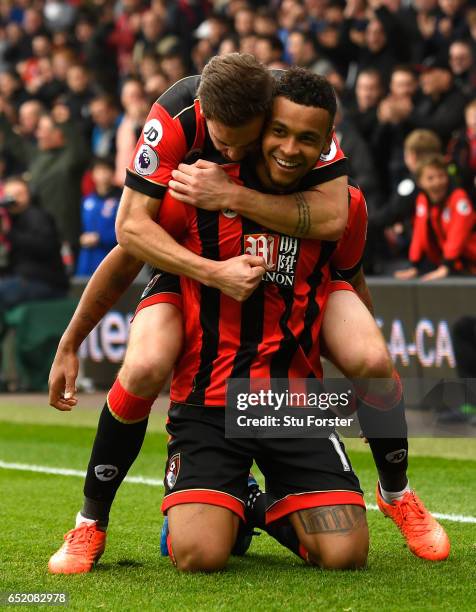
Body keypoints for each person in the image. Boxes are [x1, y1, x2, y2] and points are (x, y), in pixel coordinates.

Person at [48, 58, 447, 573]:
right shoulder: (191, 180)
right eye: (277, 134)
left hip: (290, 400)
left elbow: (348, 267)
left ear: (326, 141)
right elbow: (128, 242)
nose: (286, 148)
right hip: (210, 391)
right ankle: (91, 521)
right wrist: (71, 341)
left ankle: (377, 495)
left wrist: (369, 397)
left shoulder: (338, 202)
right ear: (262, 123)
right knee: (148, 374)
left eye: (304, 139)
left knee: (347, 551)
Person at [0, 176, 68, 328]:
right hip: (22, 279)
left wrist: (9, 234)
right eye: (9, 195)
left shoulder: (37, 216)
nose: (13, 199)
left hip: (44, 282)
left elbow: (45, 248)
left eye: (19, 194)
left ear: (30, 194)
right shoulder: (10, 220)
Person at [395, 154, 476, 280]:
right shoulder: (423, 200)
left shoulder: (459, 199)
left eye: (441, 176)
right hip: (450, 265)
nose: (437, 182)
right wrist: (415, 265)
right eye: (430, 178)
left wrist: (446, 266)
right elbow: (419, 233)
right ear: (420, 182)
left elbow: (458, 233)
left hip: (468, 266)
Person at [76, 158, 120, 276]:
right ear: (92, 174)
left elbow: (125, 229)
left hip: (111, 256)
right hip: (87, 259)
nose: (103, 175)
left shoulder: (121, 199)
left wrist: (100, 238)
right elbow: (81, 228)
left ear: (113, 172)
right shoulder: (87, 200)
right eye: (99, 170)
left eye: (106, 170)